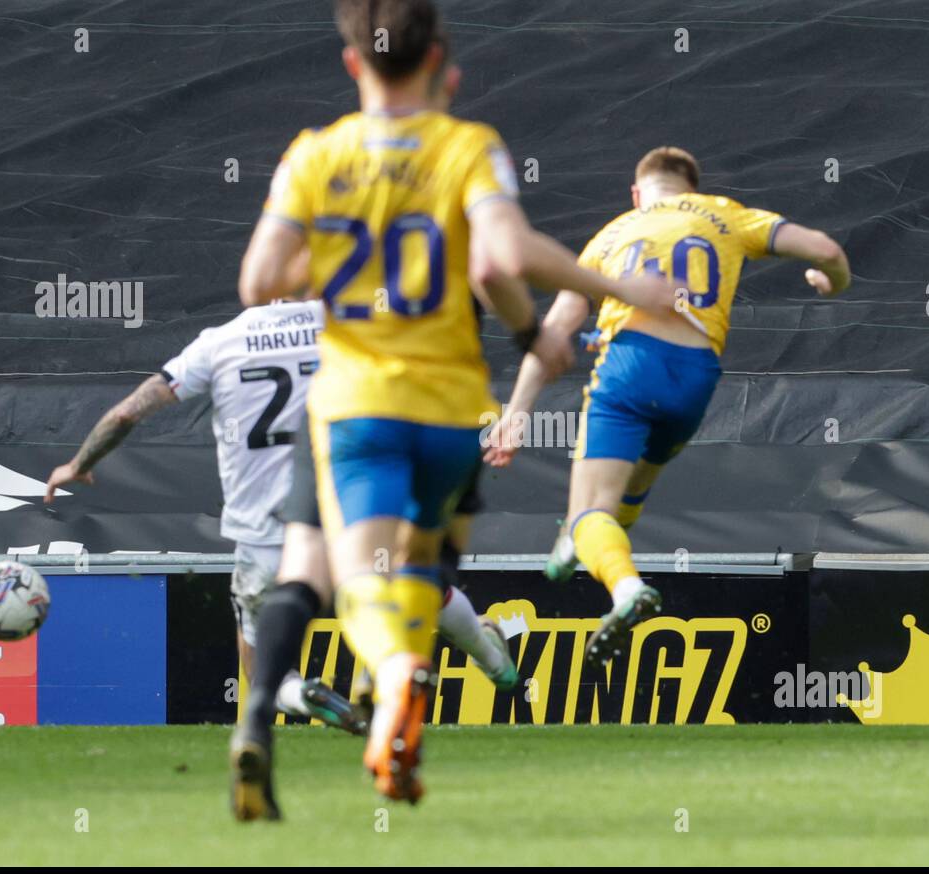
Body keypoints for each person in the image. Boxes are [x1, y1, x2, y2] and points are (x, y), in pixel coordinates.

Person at [232, 0, 679, 809]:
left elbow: (260, 281)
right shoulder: (467, 148)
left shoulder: (316, 156)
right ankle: (406, 688)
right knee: (423, 573)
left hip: (357, 406)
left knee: (356, 569)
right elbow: (500, 259)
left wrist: (337, 265)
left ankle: (391, 678)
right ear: (443, 64)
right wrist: (569, 314)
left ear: (351, 64)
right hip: (449, 412)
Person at [485, 146, 851, 666]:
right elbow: (827, 250)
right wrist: (828, 281)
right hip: (696, 380)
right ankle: (588, 543)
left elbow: (557, 328)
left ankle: (619, 578)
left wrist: (516, 413)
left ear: (637, 194)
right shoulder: (725, 214)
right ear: (692, 190)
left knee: (591, 508)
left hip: (631, 365)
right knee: (632, 491)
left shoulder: (614, 233)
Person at [43, 298, 361, 732]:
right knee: (406, 601)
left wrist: (79, 463)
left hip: (261, 538)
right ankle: (475, 659)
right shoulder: (343, 324)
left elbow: (127, 412)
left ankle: (301, 694)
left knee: (262, 668)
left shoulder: (221, 342)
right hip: (342, 522)